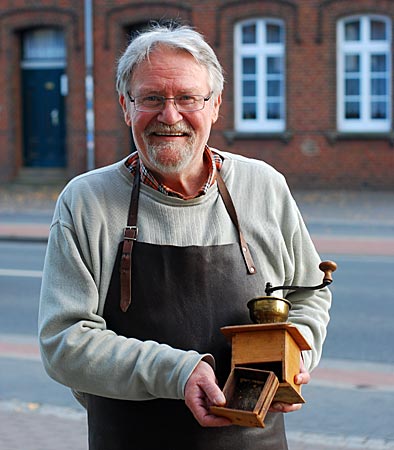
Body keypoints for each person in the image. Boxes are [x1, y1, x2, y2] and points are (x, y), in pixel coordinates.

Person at [38, 23, 331, 450]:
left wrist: (294, 355)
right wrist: (178, 372)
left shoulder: (262, 186)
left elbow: (309, 293)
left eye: (188, 98)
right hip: (130, 437)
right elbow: (63, 342)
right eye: (152, 98)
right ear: (125, 105)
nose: (169, 116)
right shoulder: (86, 202)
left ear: (214, 106)